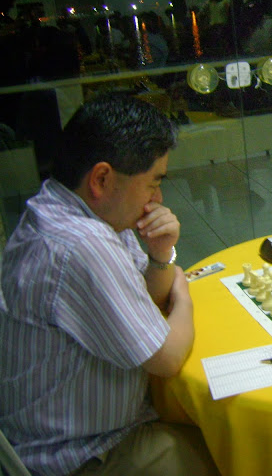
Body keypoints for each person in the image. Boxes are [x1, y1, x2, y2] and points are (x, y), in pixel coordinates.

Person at [0, 94, 220, 475]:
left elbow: (146, 298)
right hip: (79, 456)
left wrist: (160, 255)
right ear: (102, 179)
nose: (158, 198)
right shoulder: (80, 242)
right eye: (153, 183)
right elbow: (167, 357)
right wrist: (182, 295)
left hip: (87, 433)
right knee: (229, 451)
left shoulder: (75, 209)